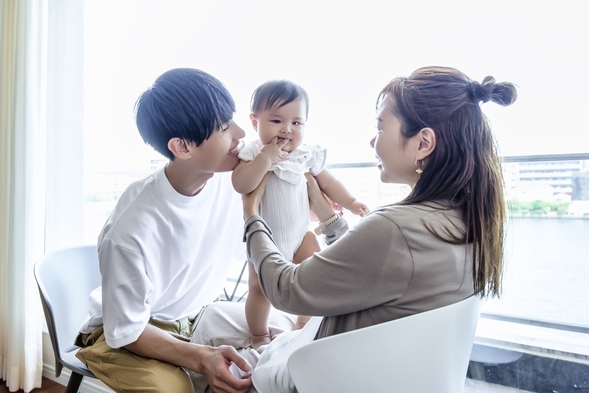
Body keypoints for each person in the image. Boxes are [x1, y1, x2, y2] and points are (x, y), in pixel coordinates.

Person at [195, 65, 517, 392]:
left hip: (315, 375)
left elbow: (287, 289)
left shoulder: (397, 229)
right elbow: (365, 269)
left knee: (210, 326)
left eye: (380, 127)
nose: (371, 140)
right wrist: (328, 215)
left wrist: (252, 216)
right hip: (380, 373)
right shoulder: (467, 223)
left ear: (423, 143)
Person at [74, 68, 295, 393]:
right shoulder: (132, 227)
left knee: (285, 332)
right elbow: (126, 328)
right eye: (223, 127)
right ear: (182, 146)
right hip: (127, 333)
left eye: (232, 120)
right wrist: (201, 357)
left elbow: (260, 246)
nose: (239, 134)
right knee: (175, 389)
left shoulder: (230, 180)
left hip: (197, 314)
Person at [231, 80, 369, 347]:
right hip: (264, 239)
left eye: (297, 123)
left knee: (312, 278)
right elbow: (242, 185)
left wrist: (351, 202)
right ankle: (259, 335)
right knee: (258, 290)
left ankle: (303, 323)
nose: (286, 129)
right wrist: (266, 158)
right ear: (254, 121)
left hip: (299, 236)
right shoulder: (253, 153)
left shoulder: (306, 155)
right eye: (276, 120)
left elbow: (328, 183)